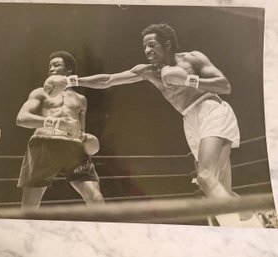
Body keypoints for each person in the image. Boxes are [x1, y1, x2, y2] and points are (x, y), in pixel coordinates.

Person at [60, 23, 240, 201]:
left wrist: (189, 81)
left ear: (167, 44)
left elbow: (225, 86)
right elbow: (108, 80)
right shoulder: (148, 71)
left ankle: (234, 228)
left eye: (152, 45)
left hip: (211, 109)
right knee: (220, 189)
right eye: (144, 46)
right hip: (190, 119)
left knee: (206, 178)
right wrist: (72, 81)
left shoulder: (193, 59)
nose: (147, 50)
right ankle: (252, 217)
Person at [16, 51, 104, 211]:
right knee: (30, 207)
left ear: (69, 70)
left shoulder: (81, 99)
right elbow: (21, 119)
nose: (51, 68)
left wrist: (87, 139)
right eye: (50, 65)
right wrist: (55, 122)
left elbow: (80, 131)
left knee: (96, 199)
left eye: (56, 65)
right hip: (44, 145)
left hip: (74, 149)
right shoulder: (39, 93)